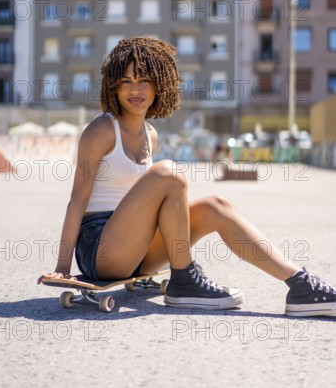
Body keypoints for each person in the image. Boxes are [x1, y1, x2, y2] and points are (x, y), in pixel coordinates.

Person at [38, 36, 336, 316]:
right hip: (101, 249)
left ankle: (300, 285)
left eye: (144, 80)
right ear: (114, 87)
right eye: (126, 82)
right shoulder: (101, 130)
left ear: (159, 85)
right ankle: (184, 280)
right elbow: (77, 200)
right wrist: (63, 267)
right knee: (169, 173)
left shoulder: (150, 135)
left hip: (136, 246)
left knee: (216, 205)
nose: (135, 90)